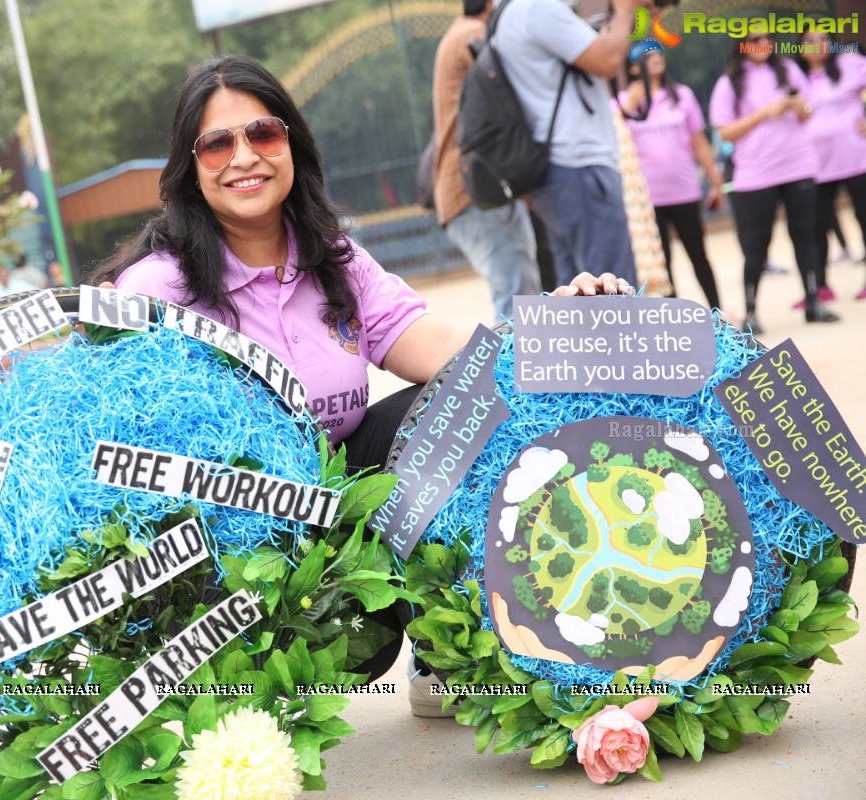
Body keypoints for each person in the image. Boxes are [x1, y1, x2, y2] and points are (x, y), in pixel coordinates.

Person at [93, 54, 631, 695]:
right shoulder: (157, 289)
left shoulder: (334, 258)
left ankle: (449, 651)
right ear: (190, 167)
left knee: (454, 408)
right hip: (239, 539)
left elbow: (447, 349)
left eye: (263, 134)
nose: (244, 158)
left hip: (342, 500)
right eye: (217, 143)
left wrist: (558, 325)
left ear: (291, 144)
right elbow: (117, 452)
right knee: (355, 649)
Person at [490, 0, 648, 286]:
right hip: (579, 166)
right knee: (610, 291)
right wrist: (627, 9)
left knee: (578, 294)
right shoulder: (539, 8)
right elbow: (608, 60)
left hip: (556, 172)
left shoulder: (509, 14)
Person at [709, 36, 838, 333]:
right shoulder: (730, 83)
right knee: (756, 246)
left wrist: (798, 107)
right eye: (755, 39)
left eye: (767, 37)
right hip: (755, 175)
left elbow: (808, 115)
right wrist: (763, 114)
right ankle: (751, 313)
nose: (763, 43)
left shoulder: (789, 70)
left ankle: (813, 302)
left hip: (798, 166)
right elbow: (725, 132)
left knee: (805, 237)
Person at [432, 0, 539, 322]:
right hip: (479, 192)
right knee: (519, 304)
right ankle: (510, 374)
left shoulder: (458, 35)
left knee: (518, 298)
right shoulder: (474, 36)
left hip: (471, 190)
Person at [617, 52, 724, 309]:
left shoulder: (682, 95)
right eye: (646, 55)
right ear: (632, 69)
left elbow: (698, 142)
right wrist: (627, 108)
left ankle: (717, 315)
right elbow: (613, 140)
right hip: (646, 201)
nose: (656, 57)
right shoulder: (621, 103)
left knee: (699, 255)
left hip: (684, 191)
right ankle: (673, 325)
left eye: (658, 53)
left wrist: (716, 182)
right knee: (661, 266)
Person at [794, 28, 866, 301]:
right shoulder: (792, 75)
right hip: (814, 167)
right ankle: (819, 286)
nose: (817, 45)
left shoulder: (851, 64)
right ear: (800, 47)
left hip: (857, 159)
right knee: (814, 226)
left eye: (824, 39)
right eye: (810, 40)